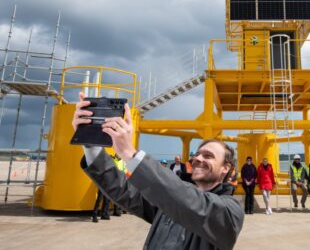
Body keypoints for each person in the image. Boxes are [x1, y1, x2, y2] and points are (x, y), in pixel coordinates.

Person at [73, 92, 244, 249]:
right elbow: (124, 190)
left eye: (208, 156)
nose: (198, 159)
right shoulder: (169, 200)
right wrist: (91, 144)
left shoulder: (230, 212)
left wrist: (129, 153)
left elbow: (192, 202)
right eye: (198, 154)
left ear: (225, 168)